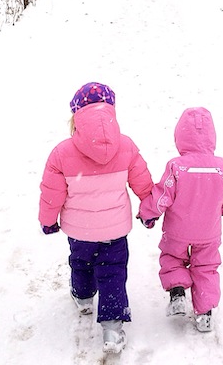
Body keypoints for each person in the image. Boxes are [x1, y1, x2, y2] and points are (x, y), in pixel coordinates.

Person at [39, 82, 153, 354]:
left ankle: (83, 297)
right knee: (113, 273)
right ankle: (112, 329)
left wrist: (48, 220)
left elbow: (51, 192)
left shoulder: (61, 153)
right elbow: (144, 185)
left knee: (81, 264)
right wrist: (148, 210)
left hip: (79, 232)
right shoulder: (126, 147)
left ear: (76, 117)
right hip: (115, 232)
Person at [137, 106, 223, 332]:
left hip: (178, 230)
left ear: (180, 137)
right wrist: (220, 209)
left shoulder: (177, 166)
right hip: (209, 232)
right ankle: (204, 314)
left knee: (173, 258)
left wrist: (148, 214)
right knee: (206, 267)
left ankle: (177, 293)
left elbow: (162, 196)